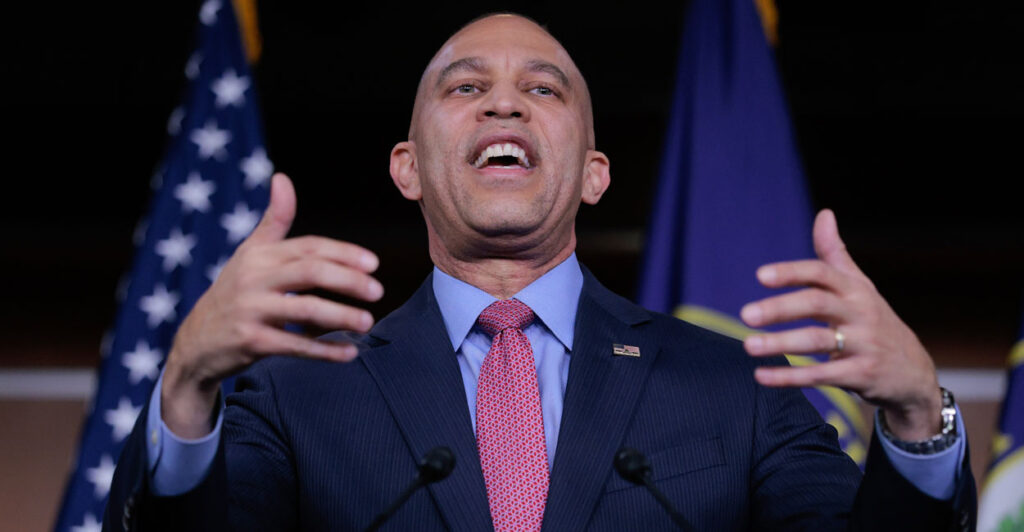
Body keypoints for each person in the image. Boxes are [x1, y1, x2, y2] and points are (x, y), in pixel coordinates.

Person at [107, 13, 976, 531]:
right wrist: (184, 390)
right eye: (464, 87)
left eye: (545, 89)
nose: (504, 102)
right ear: (407, 168)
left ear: (594, 174)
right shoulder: (297, 396)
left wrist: (914, 418)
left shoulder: (735, 386)